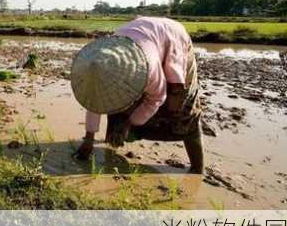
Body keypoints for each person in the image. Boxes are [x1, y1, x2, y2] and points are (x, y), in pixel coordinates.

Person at [70, 16, 204, 174]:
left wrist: (129, 123)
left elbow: (157, 98)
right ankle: (115, 139)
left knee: (181, 107)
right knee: (113, 101)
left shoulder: (148, 69)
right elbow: (95, 101)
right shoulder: (98, 65)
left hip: (174, 39)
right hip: (143, 36)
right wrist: (89, 138)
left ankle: (197, 168)